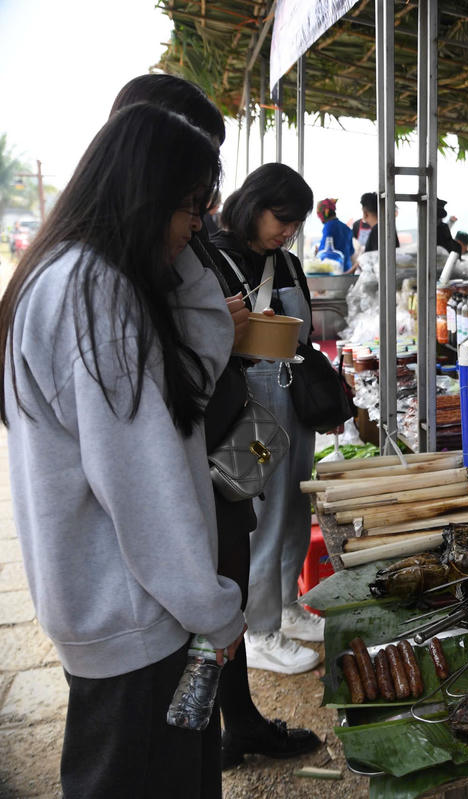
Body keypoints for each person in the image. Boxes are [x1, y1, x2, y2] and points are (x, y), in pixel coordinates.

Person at [0, 103, 244, 797]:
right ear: (146, 193)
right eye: (190, 208)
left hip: (111, 614)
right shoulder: (96, 296)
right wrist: (212, 607)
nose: (196, 227)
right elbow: (143, 486)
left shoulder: (62, 273)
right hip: (139, 623)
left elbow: (198, 359)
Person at [109, 73, 320, 771]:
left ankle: (240, 718)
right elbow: (134, 449)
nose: (199, 213)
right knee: (146, 721)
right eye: (192, 195)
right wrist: (218, 330)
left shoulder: (194, 248)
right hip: (142, 586)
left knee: (270, 527)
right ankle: (245, 667)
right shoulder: (106, 281)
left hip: (232, 435)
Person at [211, 164, 324, 679]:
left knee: (297, 504)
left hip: (293, 399)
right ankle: (258, 630)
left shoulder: (289, 263)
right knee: (263, 513)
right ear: (253, 204)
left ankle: (288, 607)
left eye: (296, 223)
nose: (287, 231)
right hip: (249, 409)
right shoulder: (216, 256)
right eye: (282, 218)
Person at [315, 197, 354, 270]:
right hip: (346, 270)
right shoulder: (347, 228)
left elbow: (324, 253)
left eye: (318, 213)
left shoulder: (328, 226)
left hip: (334, 271)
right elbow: (351, 252)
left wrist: (318, 252)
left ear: (324, 213)